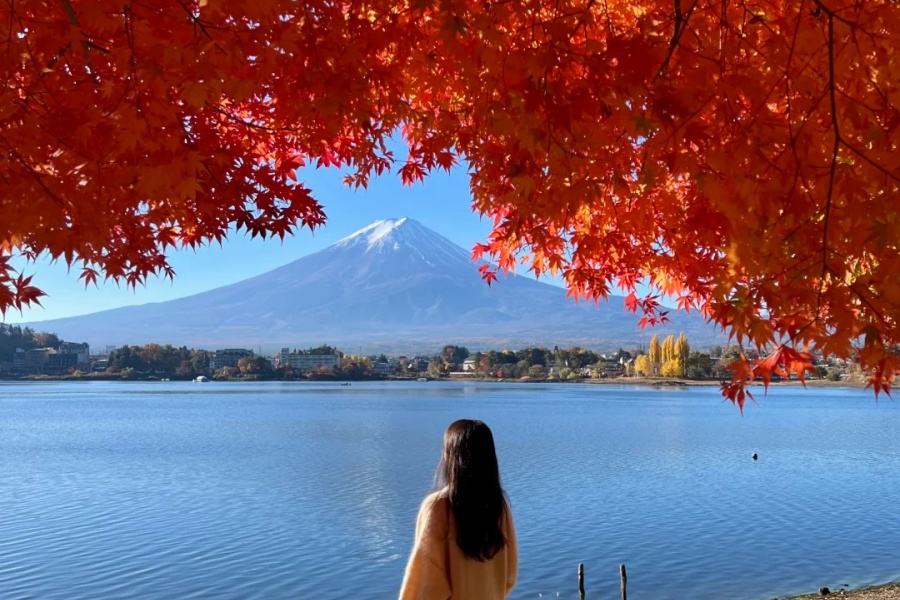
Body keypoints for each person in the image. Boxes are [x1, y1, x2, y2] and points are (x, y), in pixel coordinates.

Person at [399, 419, 517, 600]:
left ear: (450, 456)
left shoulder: (438, 508)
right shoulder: (499, 507)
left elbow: (426, 584)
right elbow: (509, 576)